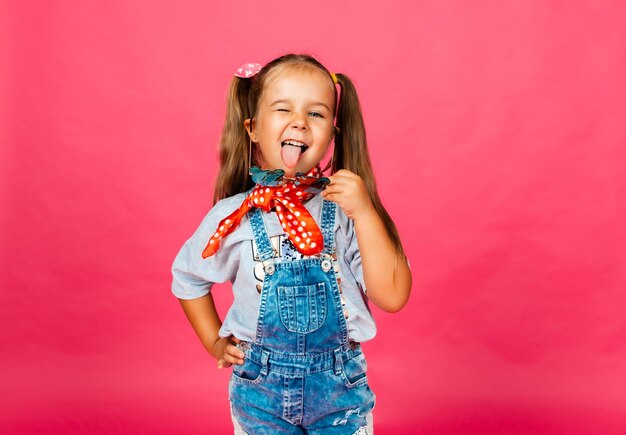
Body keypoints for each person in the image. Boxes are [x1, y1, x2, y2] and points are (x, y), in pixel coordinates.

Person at [171, 53, 412, 434]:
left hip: (339, 394)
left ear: (332, 135)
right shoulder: (233, 215)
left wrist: (365, 213)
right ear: (252, 129)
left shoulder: (346, 210)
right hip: (259, 395)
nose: (299, 121)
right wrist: (213, 342)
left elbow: (393, 296)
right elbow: (187, 278)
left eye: (315, 114)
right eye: (283, 109)